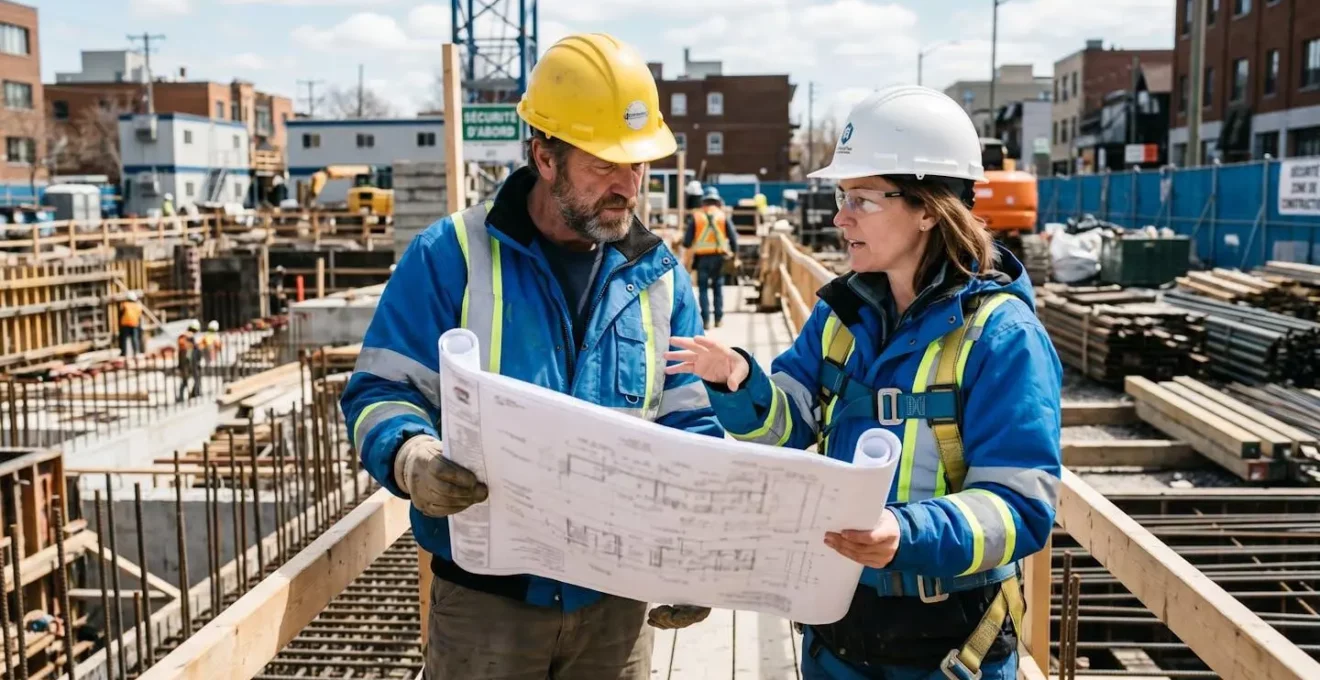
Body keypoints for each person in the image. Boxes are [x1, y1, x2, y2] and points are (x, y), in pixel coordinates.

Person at [340, 32, 723, 680]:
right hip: (488, 606)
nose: (627, 186)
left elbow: (689, 424)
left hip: (614, 608)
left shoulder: (661, 279)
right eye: (605, 163)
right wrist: (412, 457)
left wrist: (690, 551)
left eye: (639, 165)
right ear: (545, 158)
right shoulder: (450, 257)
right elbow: (381, 390)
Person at [662, 86, 1062, 680]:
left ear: (929, 208)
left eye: (863, 199)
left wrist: (904, 532)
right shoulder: (842, 315)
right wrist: (740, 379)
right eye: (841, 196)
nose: (839, 216)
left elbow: (1020, 507)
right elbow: (787, 424)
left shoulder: (1002, 337)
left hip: (948, 649)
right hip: (837, 629)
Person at [682, 186, 738, 329]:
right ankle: (718, 319)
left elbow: (687, 242)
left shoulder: (697, 216)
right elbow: (733, 239)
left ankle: (705, 321)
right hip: (719, 257)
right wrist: (735, 255)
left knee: (703, 289)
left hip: (702, 259)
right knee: (718, 288)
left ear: (703, 202)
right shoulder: (723, 216)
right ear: (717, 201)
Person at [176, 320, 201, 402]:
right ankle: (195, 394)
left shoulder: (183, 337)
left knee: (185, 380)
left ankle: (183, 396)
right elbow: (193, 352)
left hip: (185, 361)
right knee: (192, 379)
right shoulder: (189, 338)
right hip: (189, 362)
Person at [119, 292, 144, 357]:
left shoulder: (124, 304)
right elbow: (139, 315)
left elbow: (121, 314)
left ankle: (123, 353)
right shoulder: (138, 305)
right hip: (134, 324)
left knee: (123, 339)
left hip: (125, 324)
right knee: (134, 339)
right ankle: (136, 352)